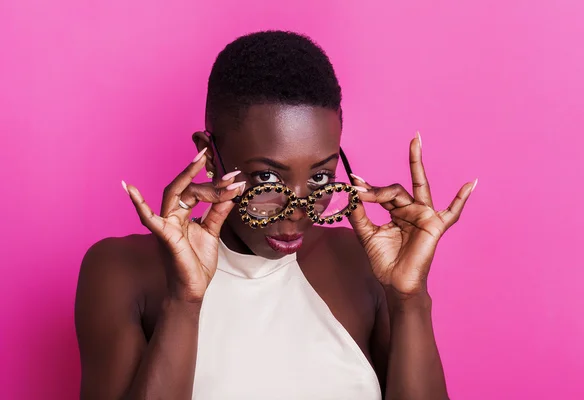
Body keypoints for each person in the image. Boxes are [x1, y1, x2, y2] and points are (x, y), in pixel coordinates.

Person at [75, 30, 476, 400]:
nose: (296, 214)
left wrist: (409, 300)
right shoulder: (121, 271)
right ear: (209, 155)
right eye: (267, 176)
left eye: (321, 176)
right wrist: (184, 302)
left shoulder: (363, 263)